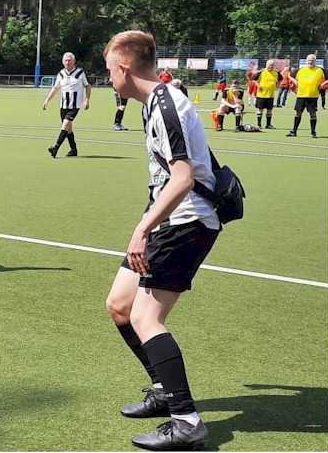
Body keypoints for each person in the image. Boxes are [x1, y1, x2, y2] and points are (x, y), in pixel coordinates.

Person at [103, 30, 220, 452]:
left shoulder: (168, 104)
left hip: (187, 222)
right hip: (167, 218)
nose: (108, 79)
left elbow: (183, 178)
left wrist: (142, 229)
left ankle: (186, 421)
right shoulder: (154, 103)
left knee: (145, 317)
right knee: (119, 306)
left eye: (109, 70)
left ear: (124, 68)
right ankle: (163, 391)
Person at [42, 52, 91, 158]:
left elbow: (87, 86)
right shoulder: (61, 74)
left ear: (74, 61)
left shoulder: (80, 72)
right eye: (66, 60)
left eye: (69, 60)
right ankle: (74, 150)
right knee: (68, 129)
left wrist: (87, 99)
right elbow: (56, 88)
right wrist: (47, 100)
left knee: (64, 126)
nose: (67, 62)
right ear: (62, 62)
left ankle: (55, 148)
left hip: (75, 106)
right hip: (63, 105)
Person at [286, 54, 328, 138]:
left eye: (312, 60)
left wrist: (323, 84)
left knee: (313, 114)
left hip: (313, 96)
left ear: (315, 61)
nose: (310, 62)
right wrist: (296, 83)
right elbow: (291, 76)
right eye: (309, 60)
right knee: (298, 113)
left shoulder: (320, 70)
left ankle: (313, 132)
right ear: (306, 61)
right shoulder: (301, 70)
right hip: (301, 96)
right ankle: (294, 131)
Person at [252, 60, 279, 129]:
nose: (270, 66)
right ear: (266, 65)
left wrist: (277, 84)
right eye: (269, 65)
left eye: (272, 65)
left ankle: (268, 124)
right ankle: (259, 124)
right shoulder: (261, 72)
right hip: (261, 95)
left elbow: (280, 79)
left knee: (269, 110)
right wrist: (258, 85)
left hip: (271, 95)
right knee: (260, 109)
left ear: (274, 66)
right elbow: (253, 79)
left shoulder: (276, 73)